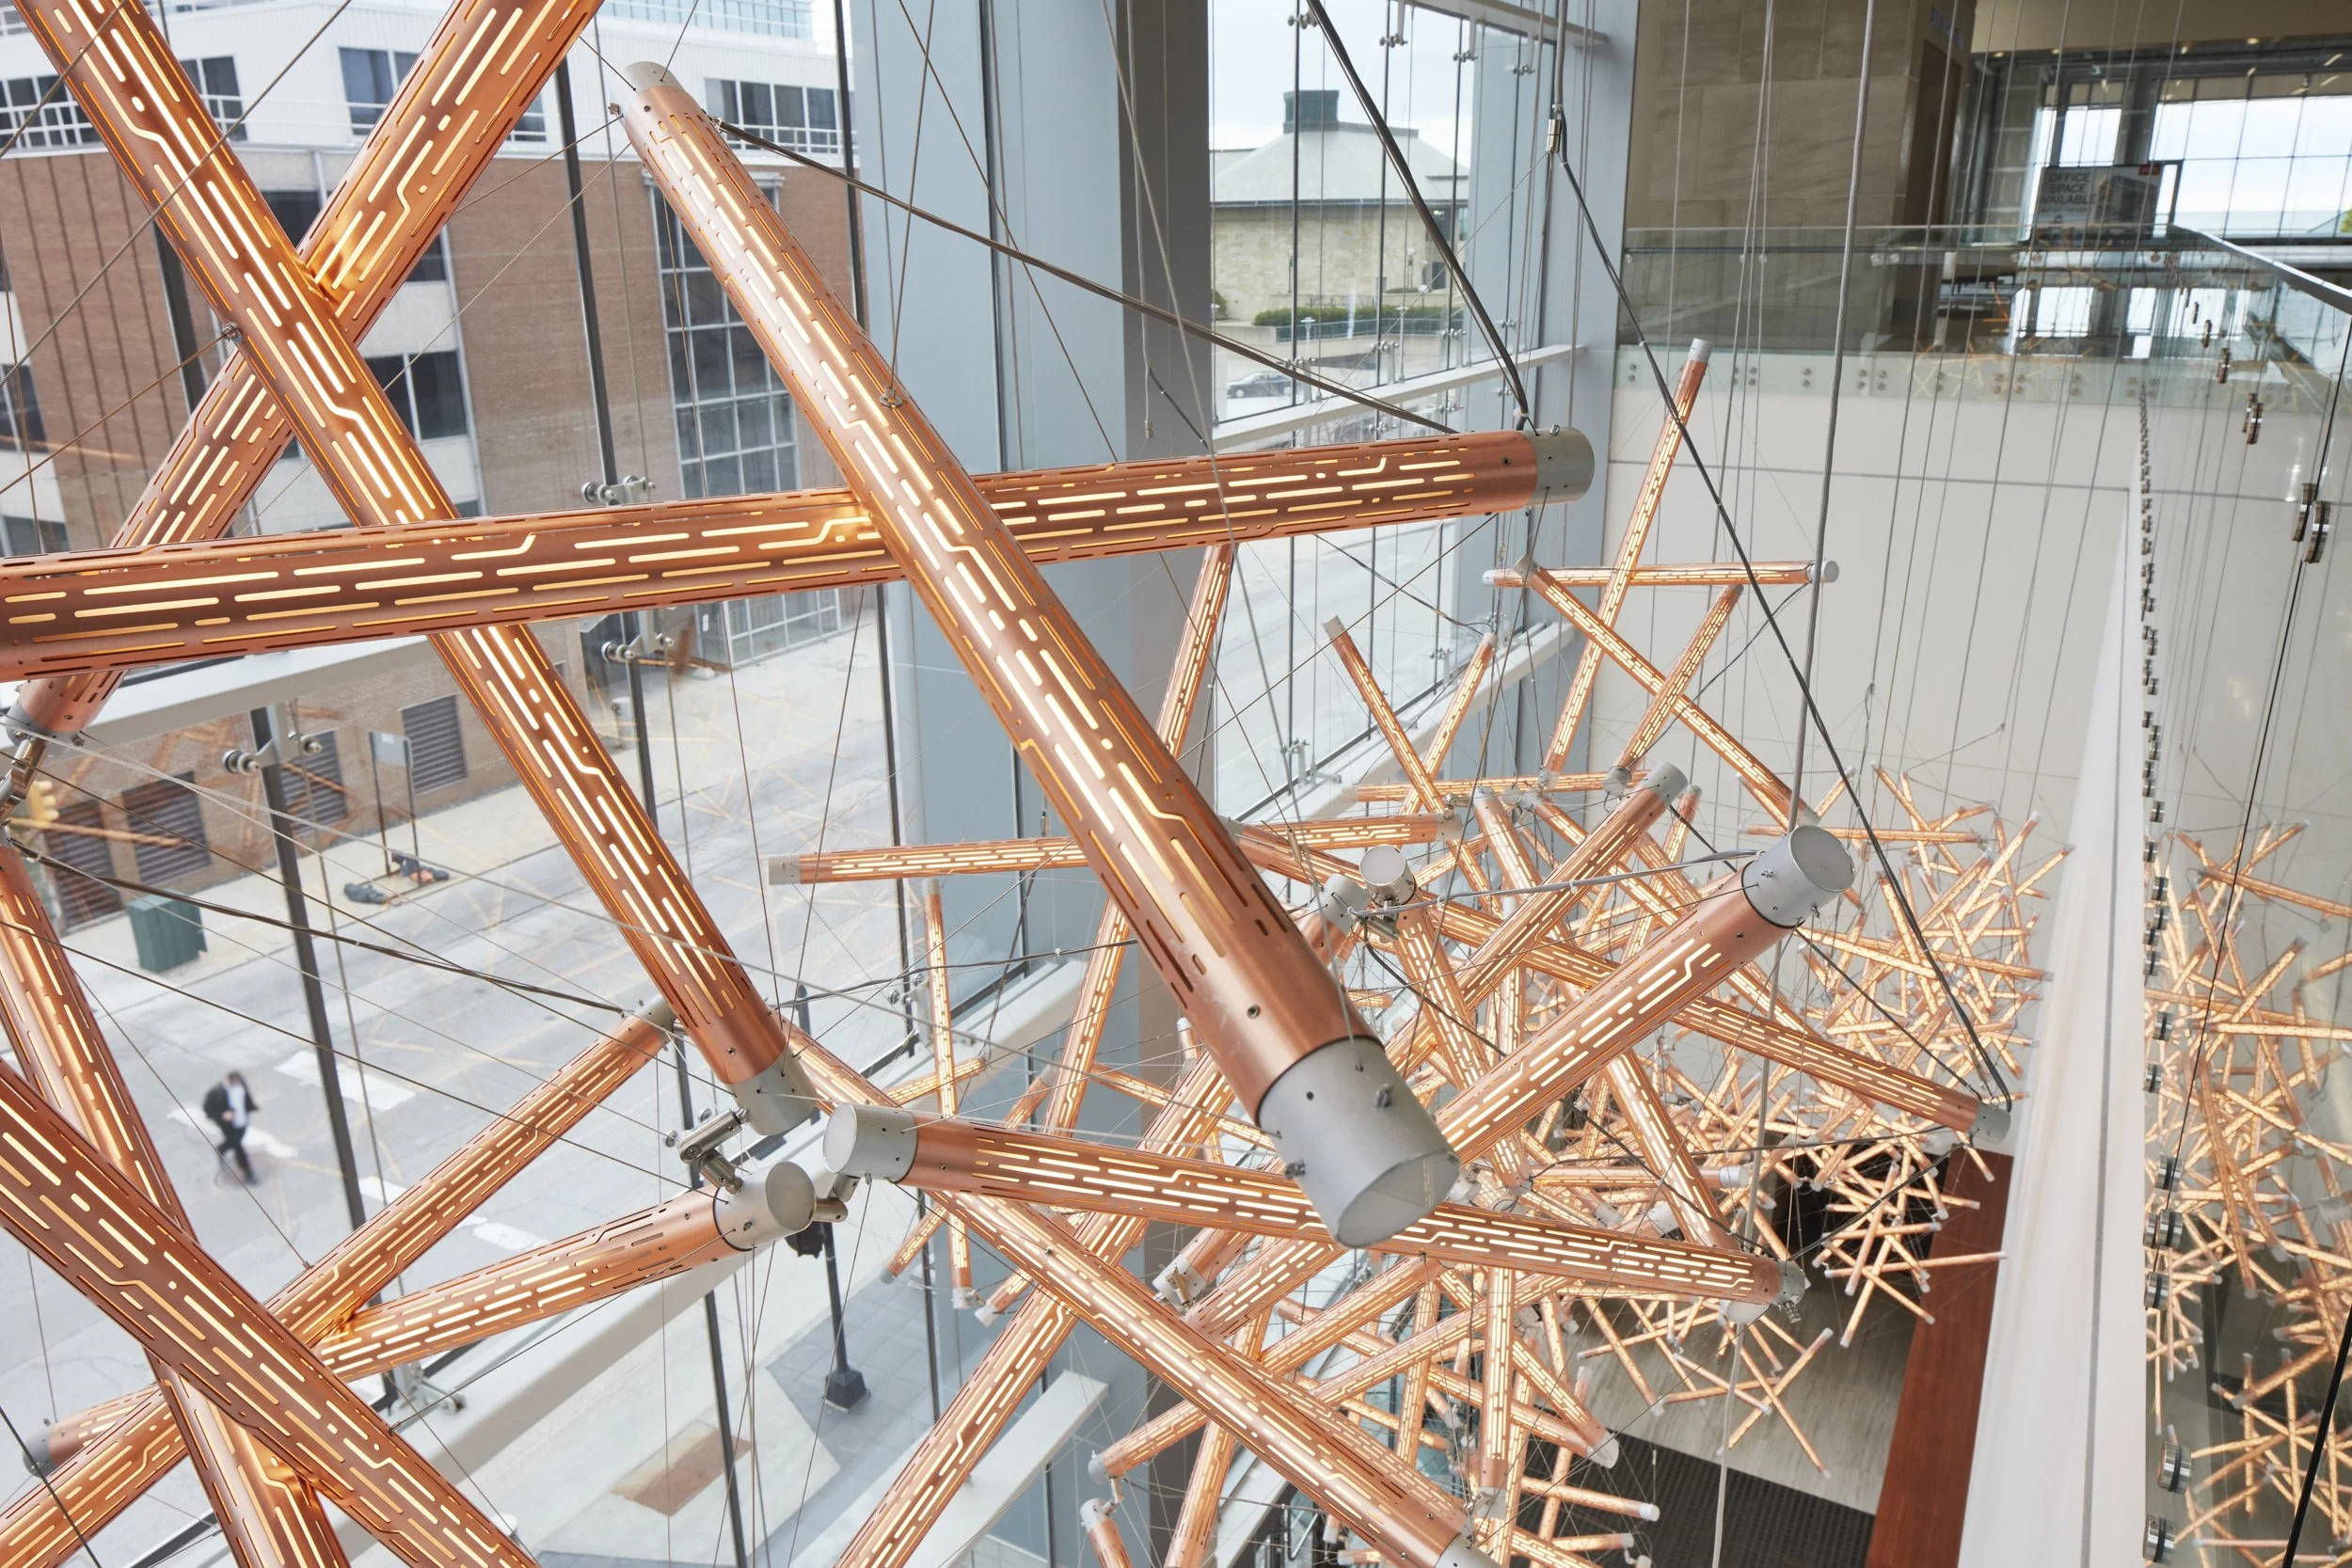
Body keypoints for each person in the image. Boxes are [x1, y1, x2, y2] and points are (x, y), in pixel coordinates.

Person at [202, 1071, 259, 1183]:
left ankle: (222, 1148)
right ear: (228, 1080)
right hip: (228, 1126)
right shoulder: (216, 1092)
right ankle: (248, 1173)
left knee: (235, 1141)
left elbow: (245, 1098)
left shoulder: (240, 1086)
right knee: (238, 1147)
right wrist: (222, 1115)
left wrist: (251, 1107)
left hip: (241, 1121)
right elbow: (207, 1108)